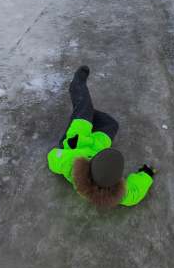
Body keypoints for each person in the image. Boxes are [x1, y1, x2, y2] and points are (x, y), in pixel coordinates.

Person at [47, 66, 156, 209]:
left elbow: (53, 157)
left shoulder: (71, 163)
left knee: (83, 107)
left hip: (76, 143)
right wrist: (146, 175)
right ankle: (84, 109)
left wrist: (69, 145)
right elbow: (135, 193)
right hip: (97, 144)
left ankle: (77, 83)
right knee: (111, 124)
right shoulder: (118, 192)